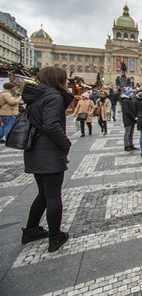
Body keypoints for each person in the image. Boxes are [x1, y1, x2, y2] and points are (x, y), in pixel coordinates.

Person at [21, 67, 74, 252]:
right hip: (48, 153)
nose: (67, 82)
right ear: (57, 79)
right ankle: (55, 237)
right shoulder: (54, 97)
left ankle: (31, 230)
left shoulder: (37, 97)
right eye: (65, 79)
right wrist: (66, 143)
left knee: (43, 194)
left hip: (35, 152)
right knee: (52, 196)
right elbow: (51, 126)